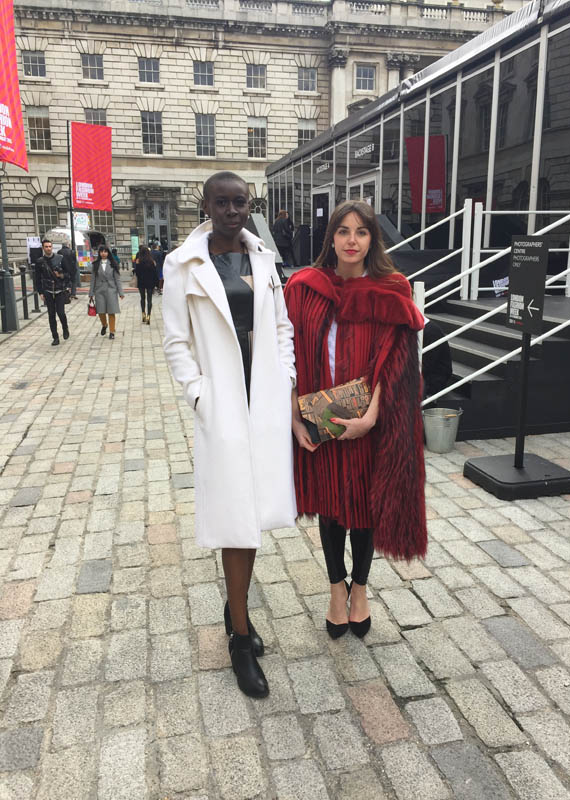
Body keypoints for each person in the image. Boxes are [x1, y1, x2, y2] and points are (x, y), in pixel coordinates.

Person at [162, 171, 296, 699]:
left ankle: (234, 609)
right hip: (222, 402)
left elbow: (281, 326)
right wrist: (199, 394)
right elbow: (176, 341)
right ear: (206, 205)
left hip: (261, 398)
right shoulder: (183, 264)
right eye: (222, 202)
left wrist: (285, 376)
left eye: (240, 202)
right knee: (236, 521)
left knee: (253, 515)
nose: (232, 211)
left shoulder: (262, 258)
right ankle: (240, 637)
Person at [284, 200, 427, 640]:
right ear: (331, 238)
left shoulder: (391, 288)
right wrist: (294, 417)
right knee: (331, 505)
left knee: (364, 507)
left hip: (368, 422)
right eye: (343, 231)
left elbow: (397, 360)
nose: (351, 240)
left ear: (372, 239)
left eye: (361, 232)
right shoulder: (304, 288)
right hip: (320, 419)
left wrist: (371, 417)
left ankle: (360, 590)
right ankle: (335, 589)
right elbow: (285, 355)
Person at [34, 239, 71, 346]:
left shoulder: (60, 258)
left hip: (59, 289)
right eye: (46, 247)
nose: (48, 248)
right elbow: (37, 279)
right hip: (47, 290)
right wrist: (40, 292)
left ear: (52, 247)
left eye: (50, 246)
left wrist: (61, 276)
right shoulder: (40, 261)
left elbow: (68, 274)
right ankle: (55, 337)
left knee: (61, 313)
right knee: (51, 315)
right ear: (43, 248)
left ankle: (65, 328)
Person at [89, 245, 124, 339]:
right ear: (99, 253)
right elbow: (93, 280)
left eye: (105, 251)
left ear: (108, 253)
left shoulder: (113, 263)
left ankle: (112, 332)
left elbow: (117, 279)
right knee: (101, 311)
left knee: (111, 311)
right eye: (101, 252)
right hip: (99, 290)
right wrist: (91, 293)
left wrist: (121, 292)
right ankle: (104, 325)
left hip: (111, 290)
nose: (103, 253)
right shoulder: (95, 264)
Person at [422, 317, 453, 402]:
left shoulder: (431, 331)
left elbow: (426, 365)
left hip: (436, 377)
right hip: (428, 371)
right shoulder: (424, 329)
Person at [134, 245, 159, 324]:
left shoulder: (138, 261)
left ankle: (143, 314)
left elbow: (137, 273)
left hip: (141, 282)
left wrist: (137, 266)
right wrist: (156, 284)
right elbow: (155, 274)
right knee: (149, 299)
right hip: (150, 282)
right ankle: (148, 315)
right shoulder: (152, 262)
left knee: (142, 298)